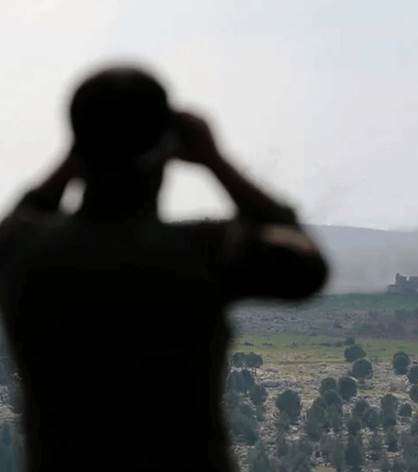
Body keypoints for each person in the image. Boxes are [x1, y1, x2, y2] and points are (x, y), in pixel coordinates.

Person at [0, 67, 328, 471]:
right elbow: (306, 266)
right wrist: (215, 161)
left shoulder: (26, 252)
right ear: (167, 151)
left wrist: (77, 155)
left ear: (78, 150)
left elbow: (21, 218)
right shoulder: (202, 252)